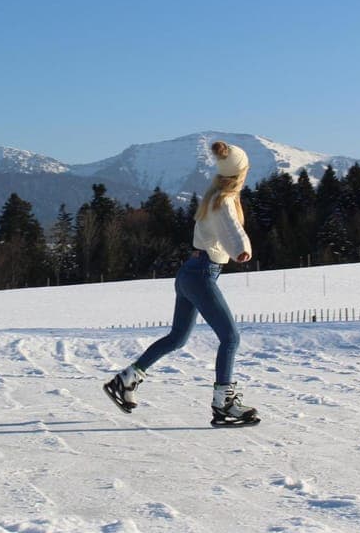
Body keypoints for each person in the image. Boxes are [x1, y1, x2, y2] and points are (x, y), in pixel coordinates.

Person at [103, 140, 259, 426]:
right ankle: (223, 403)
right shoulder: (224, 200)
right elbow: (232, 230)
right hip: (201, 275)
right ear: (240, 174)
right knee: (231, 337)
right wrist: (242, 249)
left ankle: (126, 379)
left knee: (177, 338)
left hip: (190, 272)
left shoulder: (213, 195)